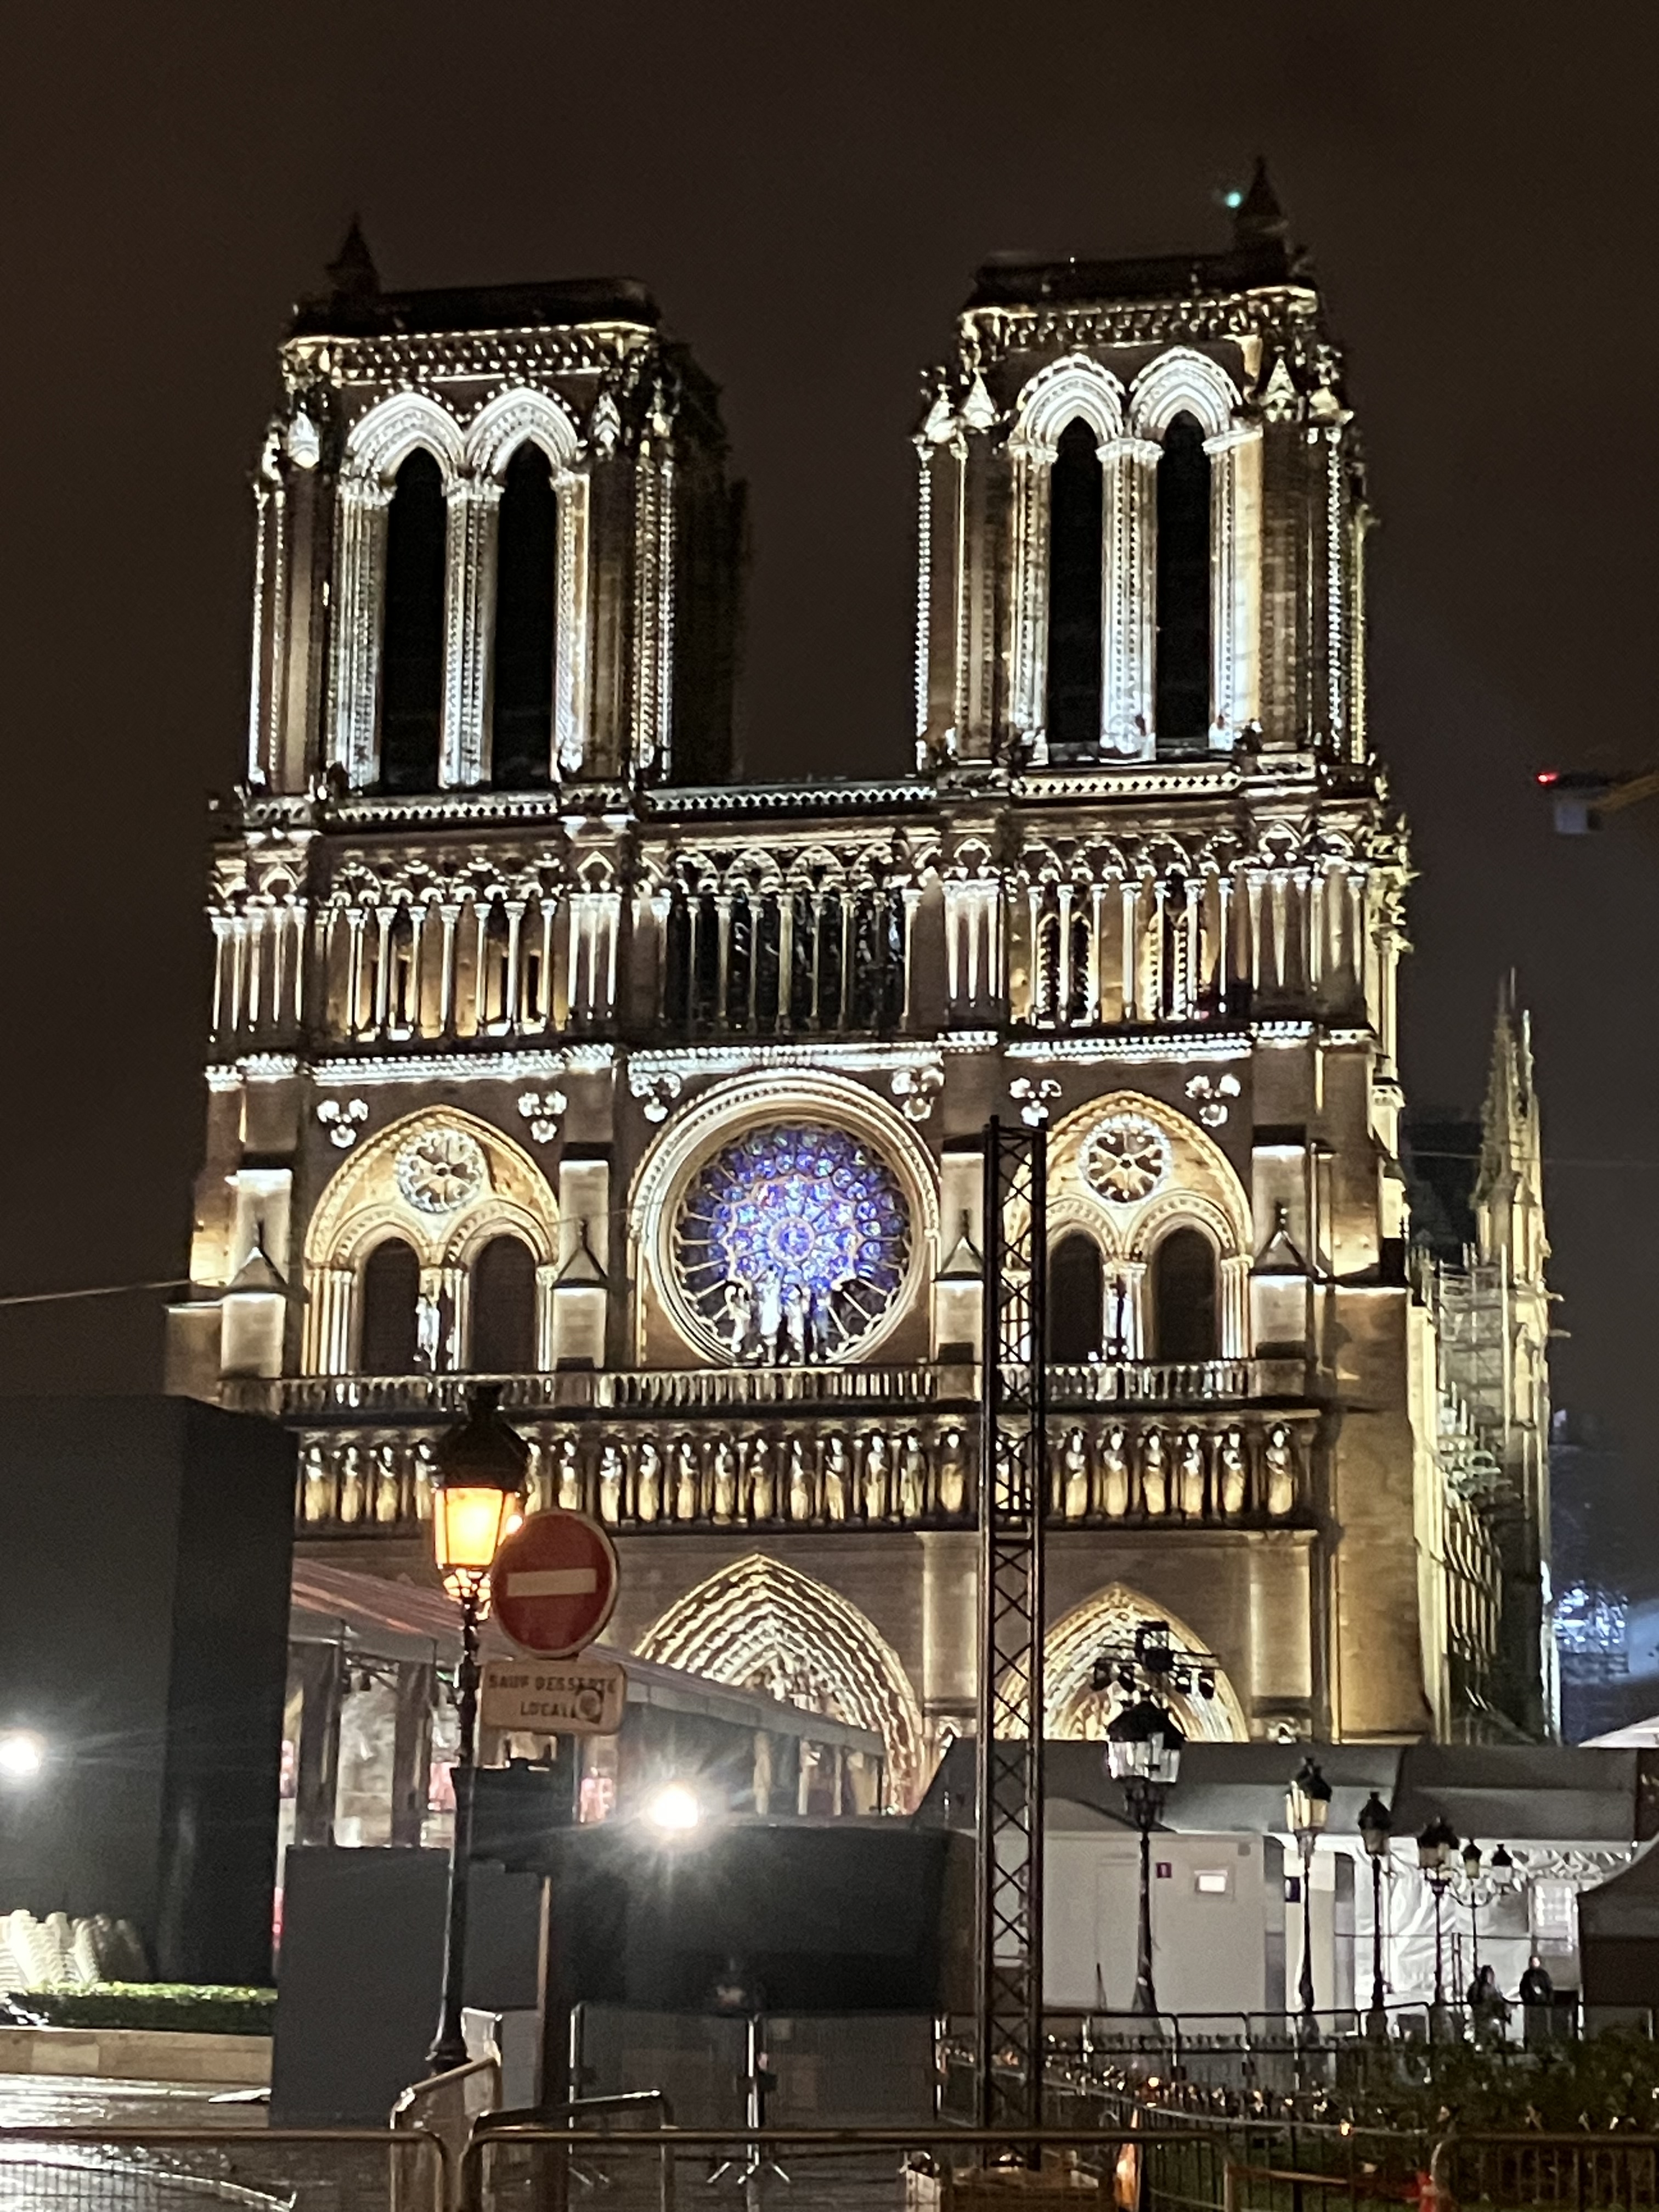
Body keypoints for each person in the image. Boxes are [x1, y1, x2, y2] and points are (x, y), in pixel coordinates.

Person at [1468, 1961, 1511, 2044]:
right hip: (1485, 2016)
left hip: (1487, 2016)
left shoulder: (1482, 1987)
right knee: (1485, 2034)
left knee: (1486, 2035)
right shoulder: (1483, 1988)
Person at [1519, 1953, 1555, 2047]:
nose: (1534, 1963)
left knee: (1543, 2026)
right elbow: (1523, 1989)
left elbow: (1549, 1988)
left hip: (1542, 2005)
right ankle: (1531, 2044)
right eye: (1532, 1962)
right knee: (1531, 2026)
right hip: (1531, 2005)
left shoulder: (1544, 1975)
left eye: (1535, 1961)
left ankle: (1544, 2045)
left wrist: (1547, 2000)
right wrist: (1527, 1999)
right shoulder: (1527, 1975)